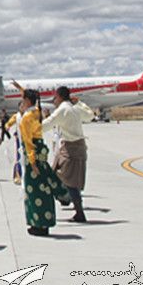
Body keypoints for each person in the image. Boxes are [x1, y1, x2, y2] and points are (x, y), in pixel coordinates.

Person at [19, 88, 69, 237]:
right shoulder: (37, 112)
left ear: (27, 101)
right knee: (44, 189)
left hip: (33, 155)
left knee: (34, 192)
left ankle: (38, 223)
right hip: (40, 151)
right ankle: (45, 222)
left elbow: (28, 141)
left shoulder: (26, 117)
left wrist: (32, 162)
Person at [43, 86, 94, 223]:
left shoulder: (63, 109)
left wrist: (31, 128)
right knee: (63, 177)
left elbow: (47, 124)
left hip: (71, 148)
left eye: (55, 97)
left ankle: (77, 210)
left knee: (69, 181)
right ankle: (67, 201)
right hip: (76, 147)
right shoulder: (74, 108)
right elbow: (90, 115)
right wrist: (80, 103)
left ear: (59, 97)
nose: (54, 100)